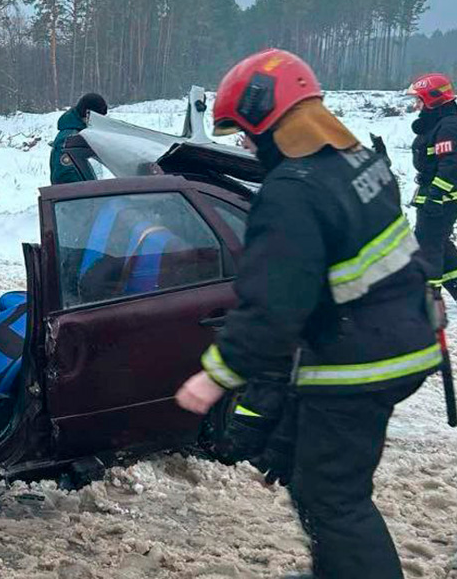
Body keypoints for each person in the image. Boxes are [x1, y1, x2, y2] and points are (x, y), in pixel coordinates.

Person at [175, 49, 442, 579]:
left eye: (248, 134)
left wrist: (216, 376)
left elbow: (274, 305)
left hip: (361, 360)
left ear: (270, 119)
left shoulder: (291, 192)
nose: (248, 147)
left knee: (335, 499)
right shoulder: (358, 162)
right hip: (403, 337)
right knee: (312, 479)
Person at [406, 73, 457, 308]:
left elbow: (453, 163)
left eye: (419, 100)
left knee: (427, 243)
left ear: (432, 99)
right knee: (437, 239)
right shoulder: (438, 122)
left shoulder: (450, 125)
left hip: (445, 195)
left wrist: (437, 194)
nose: (416, 105)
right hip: (437, 192)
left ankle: (428, 298)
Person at [49, 92, 108, 184]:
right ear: (88, 114)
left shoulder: (81, 133)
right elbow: (66, 177)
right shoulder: (70, 139)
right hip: (76, 196)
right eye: (98, 117)